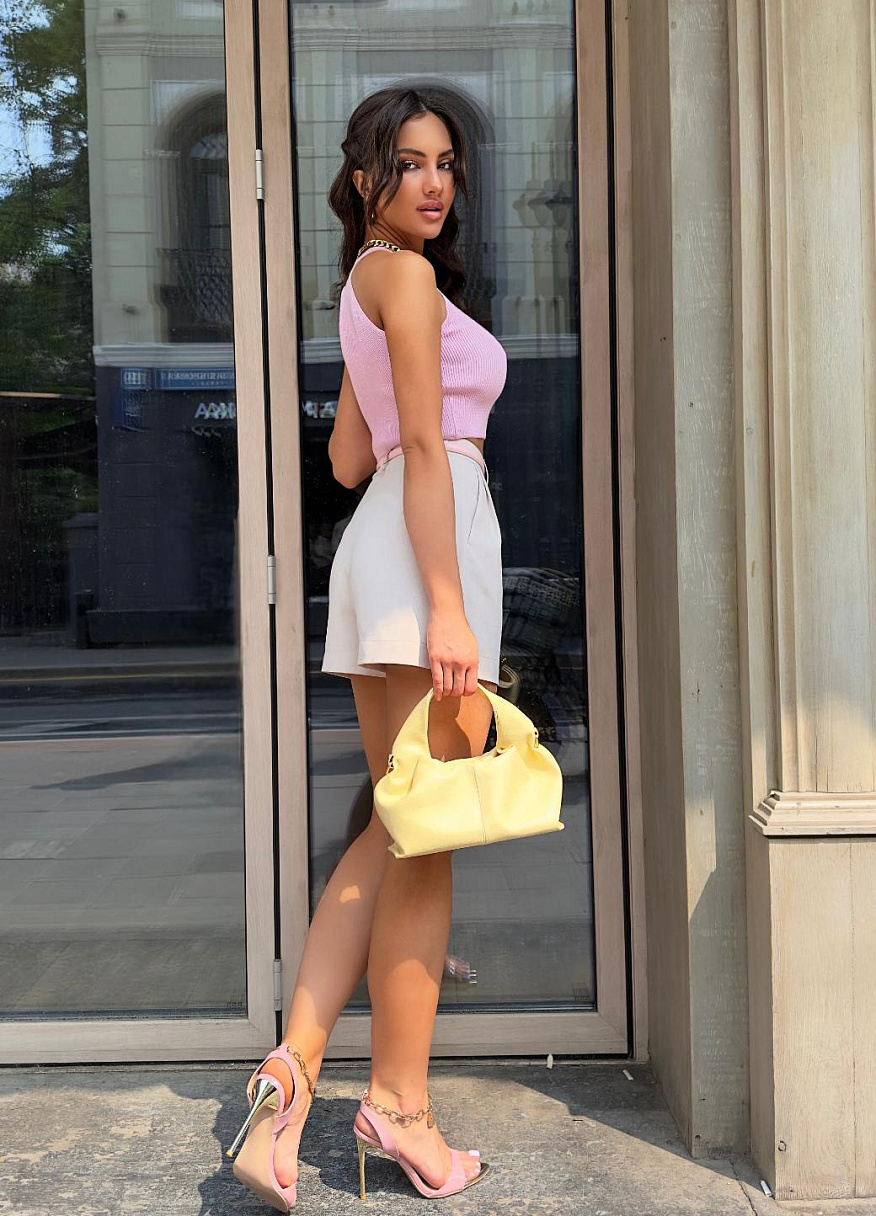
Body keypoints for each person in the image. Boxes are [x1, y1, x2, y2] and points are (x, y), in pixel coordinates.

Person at [226, 85, 507, 1209]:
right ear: (364, 178)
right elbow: (425, 454)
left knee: (399, 828)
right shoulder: (408, 280)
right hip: (424, 554)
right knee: (427, 836)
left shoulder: (370, 283)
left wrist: (385, 372)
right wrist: (449, 606)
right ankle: (399, 1106)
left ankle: (291, 1074)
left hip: (385, 544)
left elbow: (350, 457)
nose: (435, 182)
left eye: (446, 162)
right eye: (410, 162)